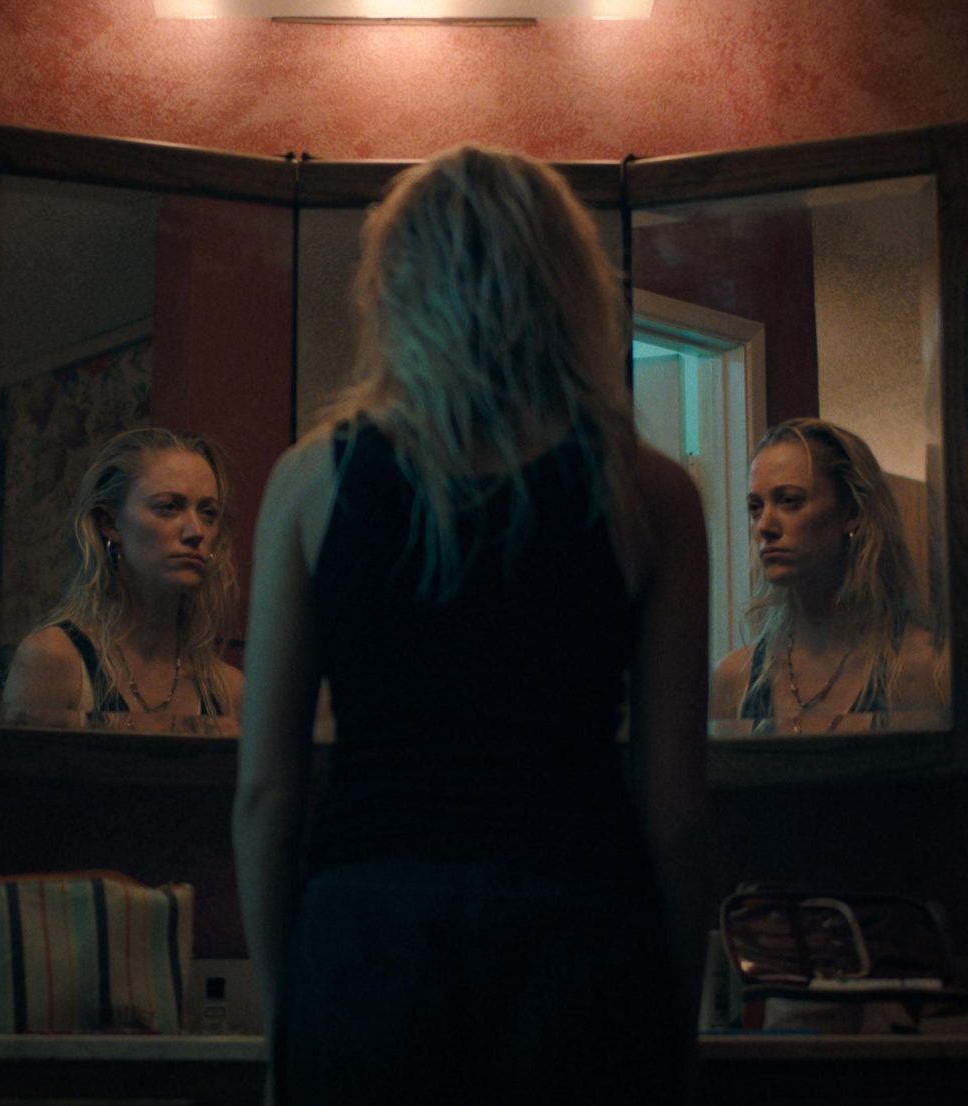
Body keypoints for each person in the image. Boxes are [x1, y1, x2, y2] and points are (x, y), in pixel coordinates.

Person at [233, 145, 711, 1106]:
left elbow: (265, 797)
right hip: (575, 937)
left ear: (395, 288)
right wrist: (675, 1027)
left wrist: (289, 1024)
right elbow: (674, 807)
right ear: (567, 286)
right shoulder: (646, 490)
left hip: (369, 943)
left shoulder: (312, 482)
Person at [709, 417, 946, 733]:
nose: (764, 526)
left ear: (852, 512)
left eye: (789, 500)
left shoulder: (925, 668)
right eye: (755, 507)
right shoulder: (734, 680)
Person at [2, 427, 243, 721]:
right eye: (169, 507)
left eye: (208, 512)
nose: (196, 532)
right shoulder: (54, 660)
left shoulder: (227, 690)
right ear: (111, 524)